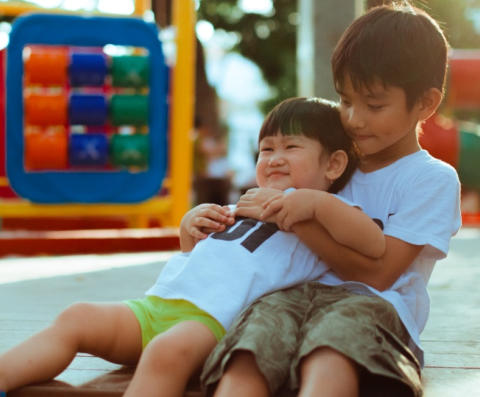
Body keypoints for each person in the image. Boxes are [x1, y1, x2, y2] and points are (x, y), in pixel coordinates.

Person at [0, 97, 385, 397]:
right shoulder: (244, 204)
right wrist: (190, 226)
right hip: (157, 306)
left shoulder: (326, 213)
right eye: (266, 149)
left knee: (164, 354)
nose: (274, 158)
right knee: (78, 316)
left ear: (333, 165)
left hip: (212, 323)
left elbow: (371, 241)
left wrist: (314, 204)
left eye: (291, 147)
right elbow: (200, 255)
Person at [200, 3, 461, 397]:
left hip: (375, 310)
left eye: (374, 105)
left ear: (425, 104)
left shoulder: (431, 179)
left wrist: (296, 215)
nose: (354, 119)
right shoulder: (332, 162)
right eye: (345, 100)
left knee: (330, 352)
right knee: (248, 348)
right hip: (293, 296)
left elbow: (379, 275)